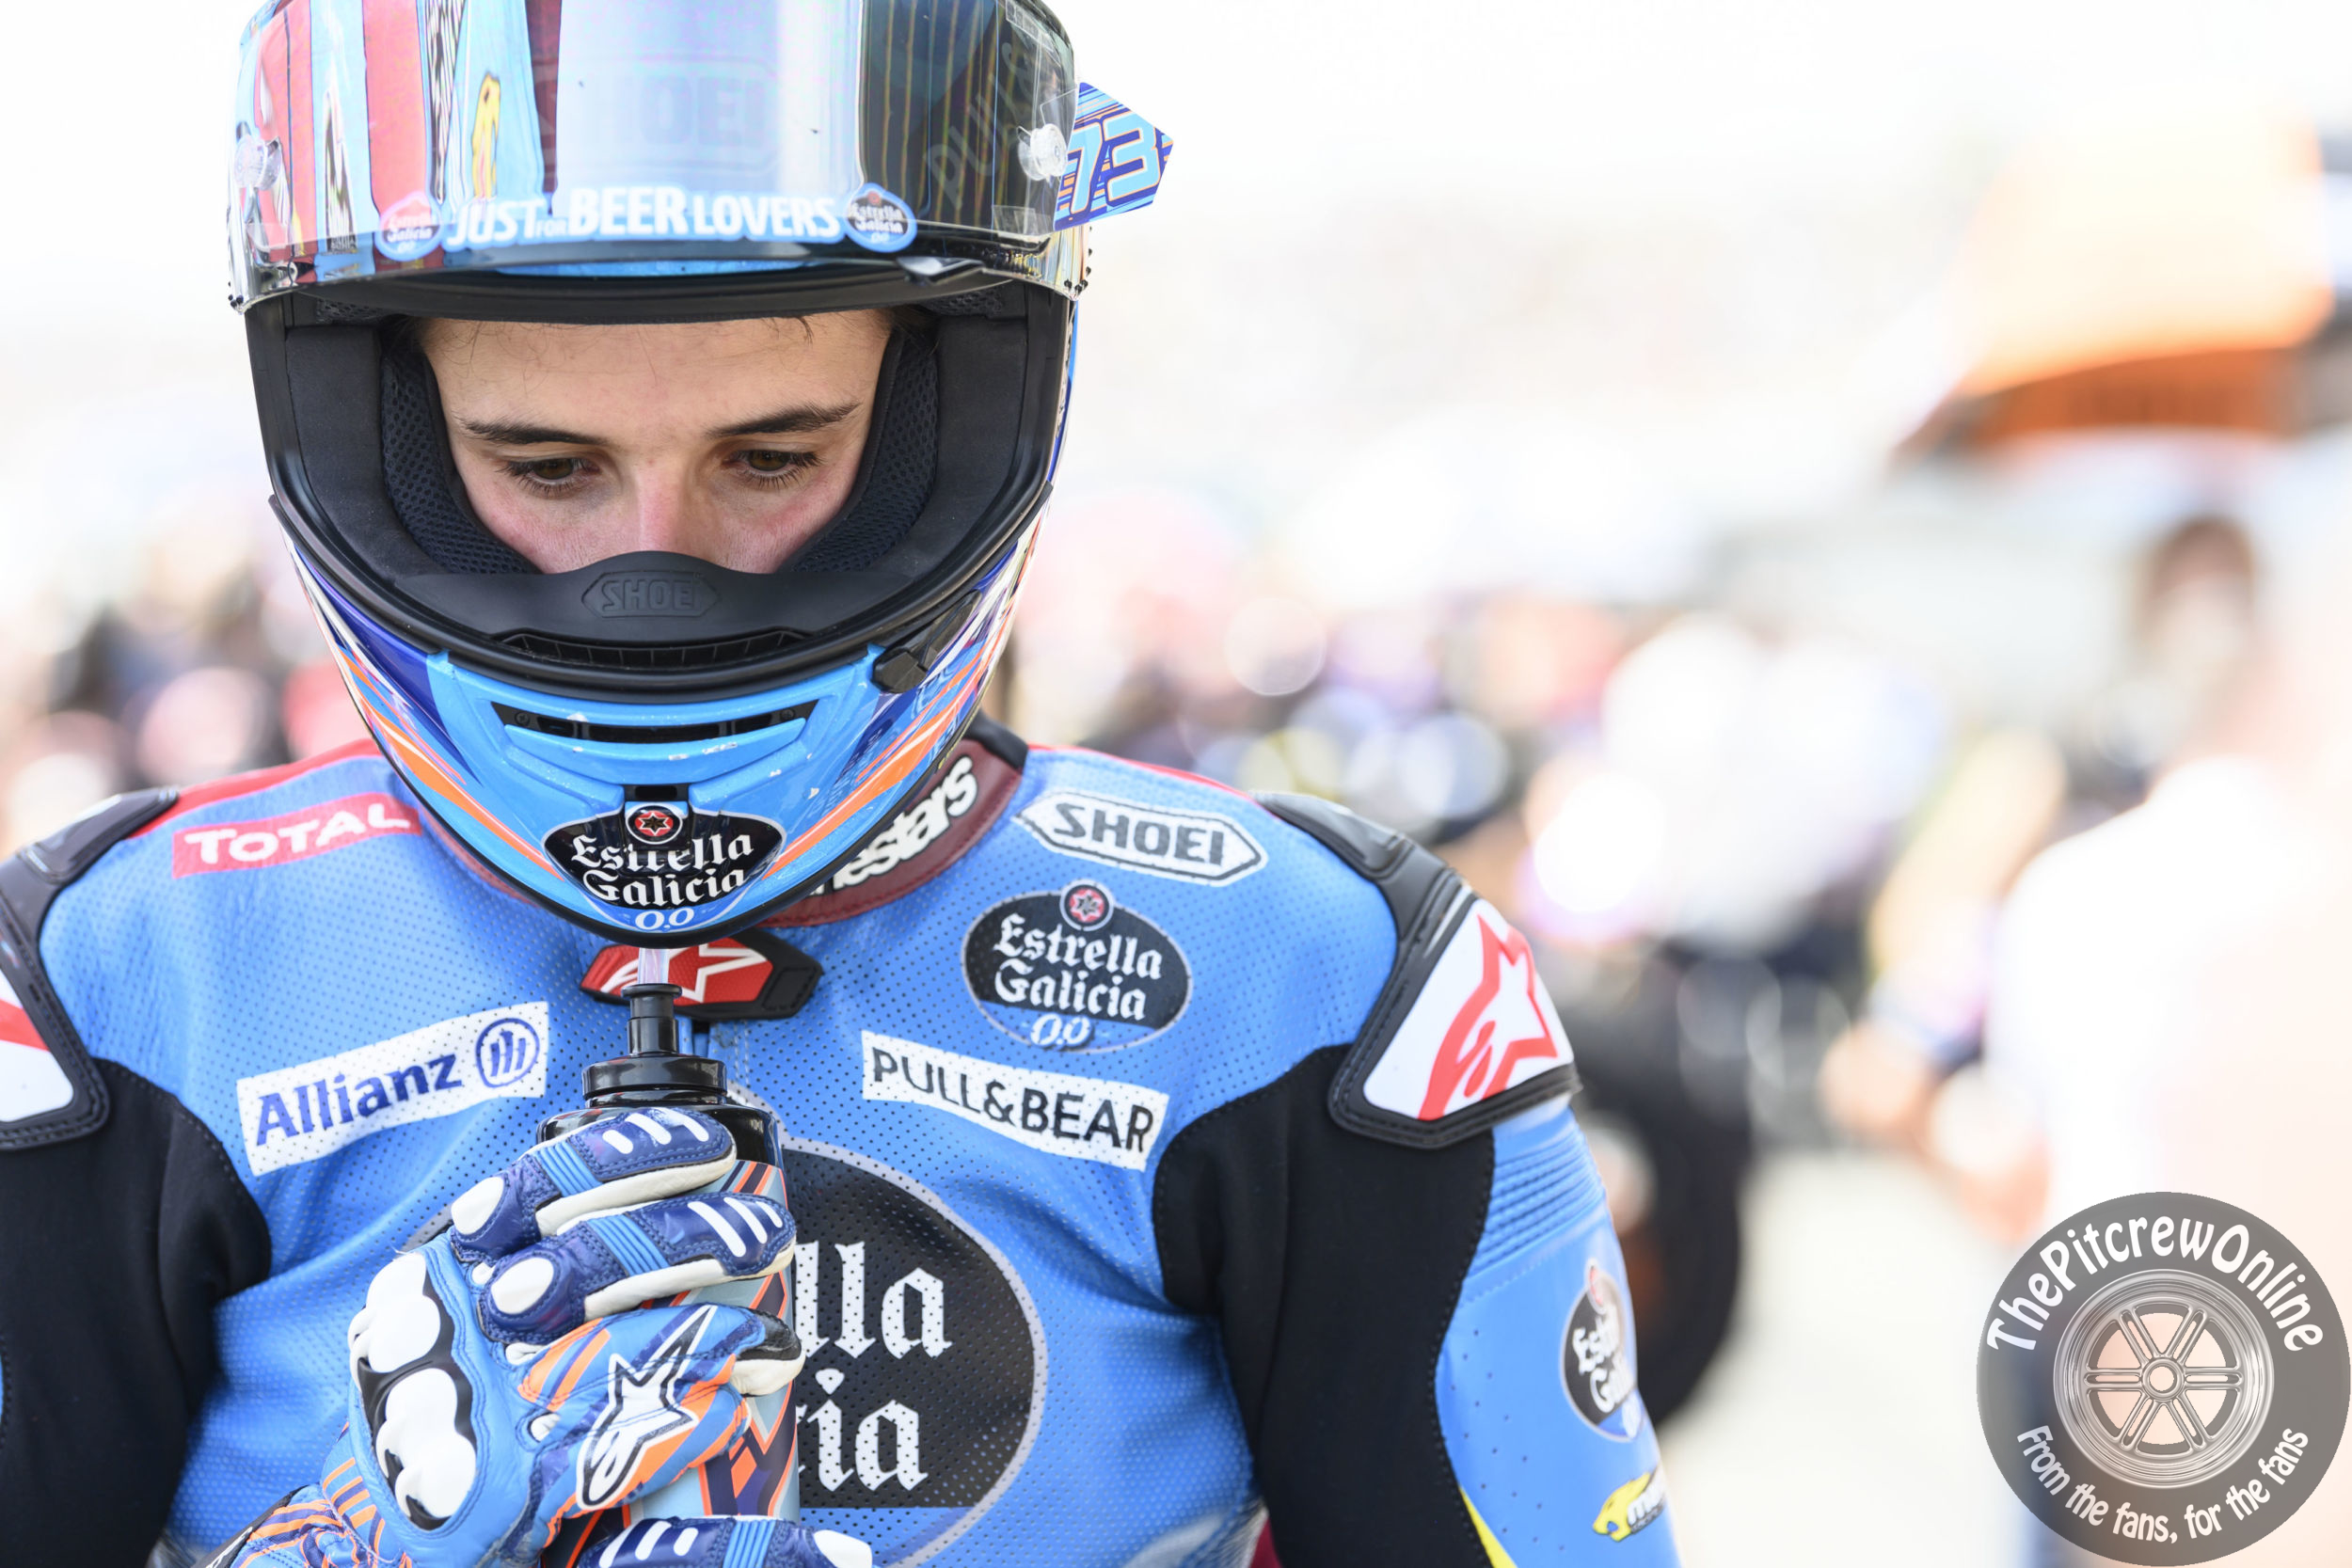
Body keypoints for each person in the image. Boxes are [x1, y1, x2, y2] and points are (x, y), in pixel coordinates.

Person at [0, 4, 1679, 1565]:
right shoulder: (117, 990)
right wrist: (360, 1536)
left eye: (773, 458)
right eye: (548, 468)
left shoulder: (1313, 983)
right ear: (384, 438)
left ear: (945, 417)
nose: (651, 577)